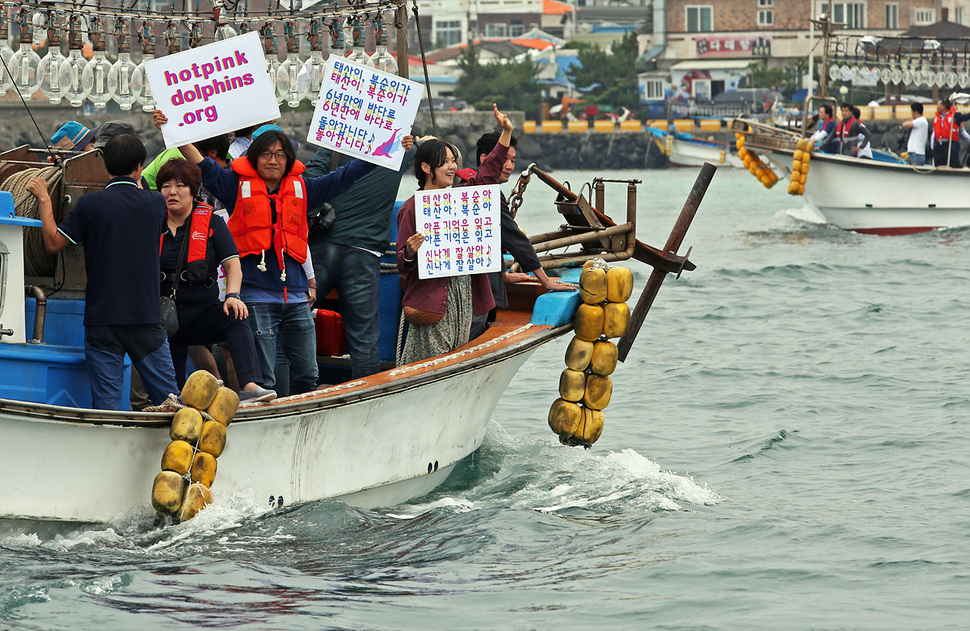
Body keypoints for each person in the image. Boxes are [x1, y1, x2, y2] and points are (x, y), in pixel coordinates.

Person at [153, 109, 379, 395]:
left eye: (280, 155)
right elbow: (203, 165)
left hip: (297, 297)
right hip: (256, 297)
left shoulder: (305, 189)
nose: (273, 160)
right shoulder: (234, 187)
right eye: (266, 154)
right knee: (267, 378)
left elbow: (345, 177)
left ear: (289, 161)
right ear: (254, 158)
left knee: (309, 374)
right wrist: (171, 130)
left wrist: (384, 150)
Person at [25, 134, 178, 410]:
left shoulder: (90, 204)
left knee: (105, 407)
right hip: (145, 318)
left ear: (106, 167)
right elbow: (146, 203)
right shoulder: (155, 203)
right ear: (140, 167)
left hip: (102, 319)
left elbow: (52, 244)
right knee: (171, 401)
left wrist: (46, 200)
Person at [396, 104, 513, 364]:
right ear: (426, 168)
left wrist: (505, 133)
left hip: (462, 293)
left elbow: (488, 174)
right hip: (432, 299)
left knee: (456, 356)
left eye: (453, 161)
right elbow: (401, 263)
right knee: (429, 360)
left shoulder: (459, 198)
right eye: (444, 162)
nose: (452, 167)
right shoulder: (411, 208)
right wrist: (412, 252)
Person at [156, 158, 276, 402]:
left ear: (193, 190)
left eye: (180, 185)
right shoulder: (151, 222)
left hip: (202, 312)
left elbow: (233, 264)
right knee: (172, 395)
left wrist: (233, 296)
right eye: (166, 186)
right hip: (165, 317)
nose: (173, 192)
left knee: (236, 315)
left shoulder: (212, 222)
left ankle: (249, 386)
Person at [303, 135, 421, 378]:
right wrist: (418, 142)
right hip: (365, 253)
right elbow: (420, 150)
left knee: (293, 322)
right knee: (364, 341)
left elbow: (309, 180)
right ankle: (365, 400)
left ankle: (293, 393)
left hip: (322, 246)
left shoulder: (335, 144)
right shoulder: (399, 148)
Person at [463, 131, 574, 340]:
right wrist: (546, 281)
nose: (510, 166)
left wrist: (502, 276)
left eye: (513, 161)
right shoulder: (489, 194)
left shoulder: (464, 188)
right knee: (473, 334)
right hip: (477, 295)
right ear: (486, 160)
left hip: (470, 288)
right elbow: (516, 240)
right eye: (504, 160)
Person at [931, 97, 961, 167]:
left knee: (952, 163)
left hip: (950, 144)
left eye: (939, 105)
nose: (937, 107)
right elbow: (934, 133)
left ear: (944, 106)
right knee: (939, 164)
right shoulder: (937, 118)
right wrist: (933, 147)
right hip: (939, 145)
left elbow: (962, 132)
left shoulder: (955, 117)